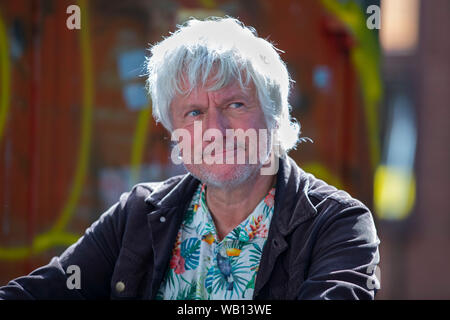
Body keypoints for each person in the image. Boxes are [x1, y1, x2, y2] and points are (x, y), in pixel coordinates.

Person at [0, 17, 380, 300]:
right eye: (194, 113)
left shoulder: (337, 224)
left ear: (275, 115)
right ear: (174, 131)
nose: (215, 130)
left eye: (235, 104)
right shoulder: (138, 214)